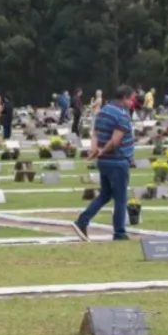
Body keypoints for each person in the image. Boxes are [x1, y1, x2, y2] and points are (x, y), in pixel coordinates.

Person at [72, 85, 136, 242]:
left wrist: (94, 149)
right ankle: (119, 232)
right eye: (132, 99)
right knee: (121, 199)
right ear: (125, 97)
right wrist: (102, 150)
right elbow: (115, 141)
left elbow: (95, 133)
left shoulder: (103, 111)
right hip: (117, 161)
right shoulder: (122, 116)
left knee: (105, 195)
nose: (133, 102)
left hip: (104, 162)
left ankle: (82, 221)